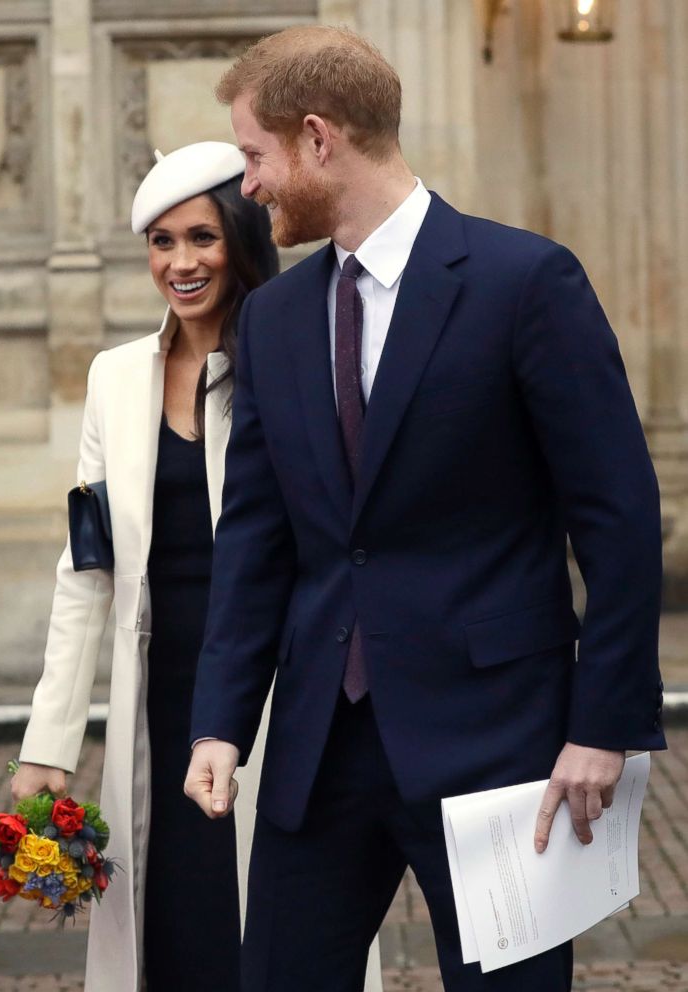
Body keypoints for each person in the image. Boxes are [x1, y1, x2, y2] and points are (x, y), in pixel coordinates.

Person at [184, 26, 667, 992]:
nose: (250, 188)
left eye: (255, 156)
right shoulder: (272, 319)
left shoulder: (525, 283)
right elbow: (256, 538)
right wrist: (219, 723)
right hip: (319, 752)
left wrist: (603, 724)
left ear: (318, 139)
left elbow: (618, 517)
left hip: (502, 750)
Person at [11, 142, 278, 992]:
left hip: (274, 688)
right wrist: (48, 742)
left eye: (201, 236)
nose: (181, 262)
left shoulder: (289, 361)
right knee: (164, 927)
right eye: (161, 242)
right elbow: (84, 568)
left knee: (274, 928)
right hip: (155, 693)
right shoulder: (114, 377)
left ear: (240, 238)